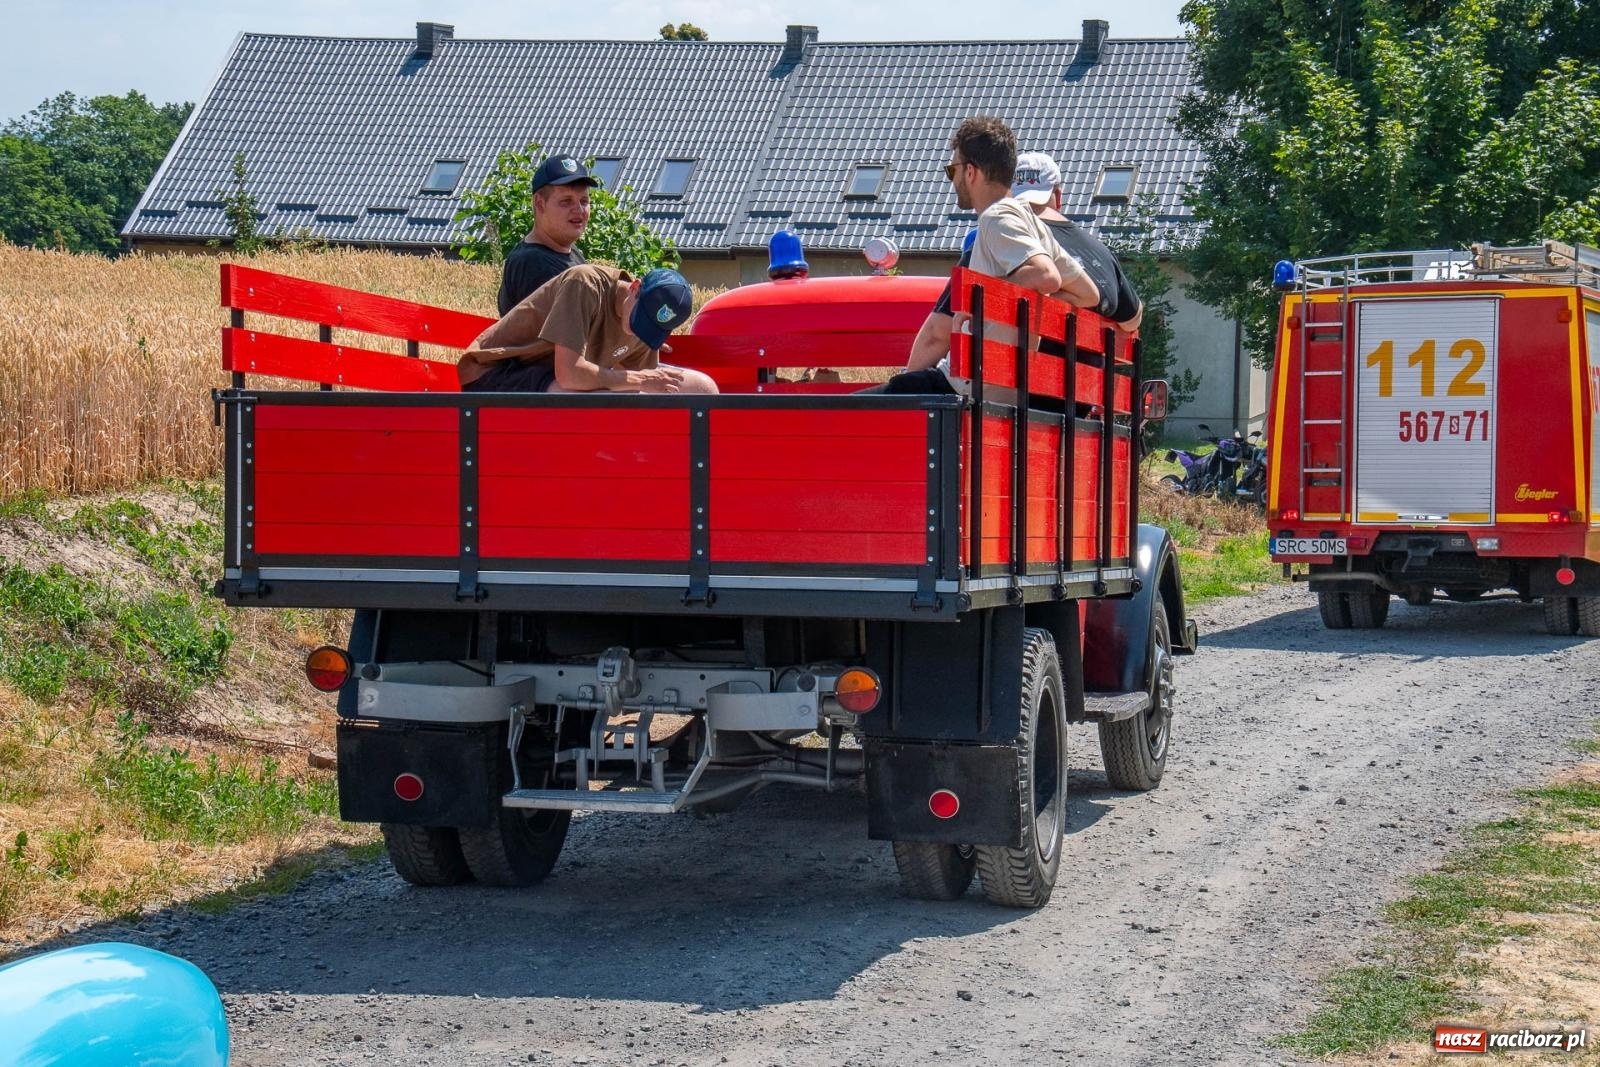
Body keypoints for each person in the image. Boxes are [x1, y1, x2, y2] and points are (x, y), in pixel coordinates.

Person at [896, 118, 1101, 385]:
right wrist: (1022, 300)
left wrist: (980, 299)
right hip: (1008, 387)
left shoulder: (996, 217)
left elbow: (1045, 275)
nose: (952, 179)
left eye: (952, 170)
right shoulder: (1034, 225)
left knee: (851, 405)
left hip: (966, 383)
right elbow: (1088, 294)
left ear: (970, 172)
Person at [459, 263, 719, 394]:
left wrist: (645, 382)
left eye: (650, 329)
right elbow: (570, 375)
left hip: (550, 376)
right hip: (495, 374)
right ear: (635, 287)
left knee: (702, 388)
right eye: (639, 319)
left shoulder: (642, 325)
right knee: (596, 397)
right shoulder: (584, 284)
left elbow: (648, 388)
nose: (636, 331)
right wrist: (640, 380)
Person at [496, 154, 600, 316]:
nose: (579, 210)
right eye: (566, 201)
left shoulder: (568, 251)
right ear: (539, 203)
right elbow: (563, 330)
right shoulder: (533, 264)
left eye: (584, 201)